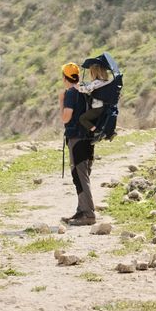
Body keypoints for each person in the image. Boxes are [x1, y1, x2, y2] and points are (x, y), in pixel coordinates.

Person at [61, 62, 97, 226]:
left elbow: (65, 118)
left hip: (76, 138)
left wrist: (61, 101)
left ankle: (88, 214)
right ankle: (81, 210)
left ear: (65, 77)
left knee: (80, 176)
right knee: (83, 175)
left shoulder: (70, 93)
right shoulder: (85, 91)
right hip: (89, 137)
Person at [75, 62, 112, 133]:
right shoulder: (106, 82)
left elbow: (87, 89)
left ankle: (97, 132)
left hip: (97, 108)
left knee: (82, 118)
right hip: (105, 106)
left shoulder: (96, 83)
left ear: (94, 73)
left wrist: (78, 87)